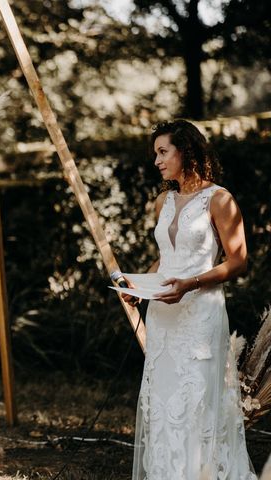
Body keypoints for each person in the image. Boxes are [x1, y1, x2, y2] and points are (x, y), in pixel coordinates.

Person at [124, 119, 257, 479]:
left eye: (163, 152)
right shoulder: (162, 201)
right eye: (156, 153)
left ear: (186, 151)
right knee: (164, 402)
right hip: (163, 316)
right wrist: (137, 286)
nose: (157, 161)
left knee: (197, 400)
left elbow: (238, 261)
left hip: (200, 314)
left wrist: (191, 283)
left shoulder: (219, 199)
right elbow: (165, 256)